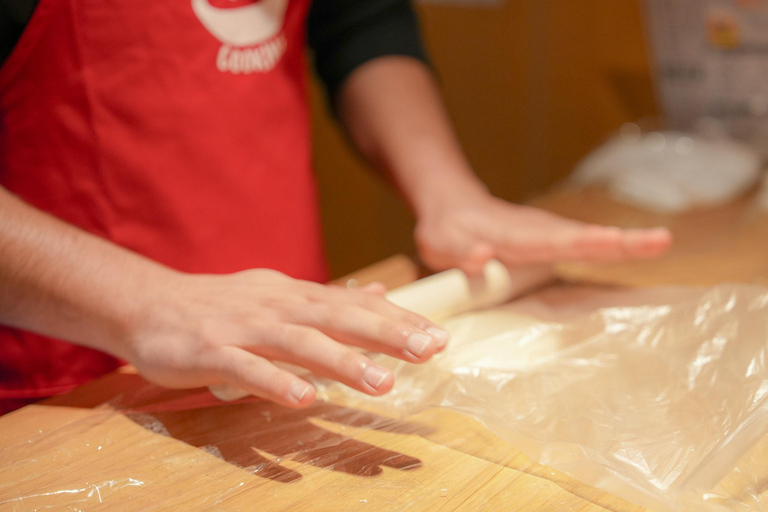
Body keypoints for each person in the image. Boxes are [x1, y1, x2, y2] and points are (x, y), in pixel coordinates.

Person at [0, 0, 671, 415]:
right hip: (66, 367)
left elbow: (361, 20)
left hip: (294, 337)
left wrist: (448, 195)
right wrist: (146, 303)